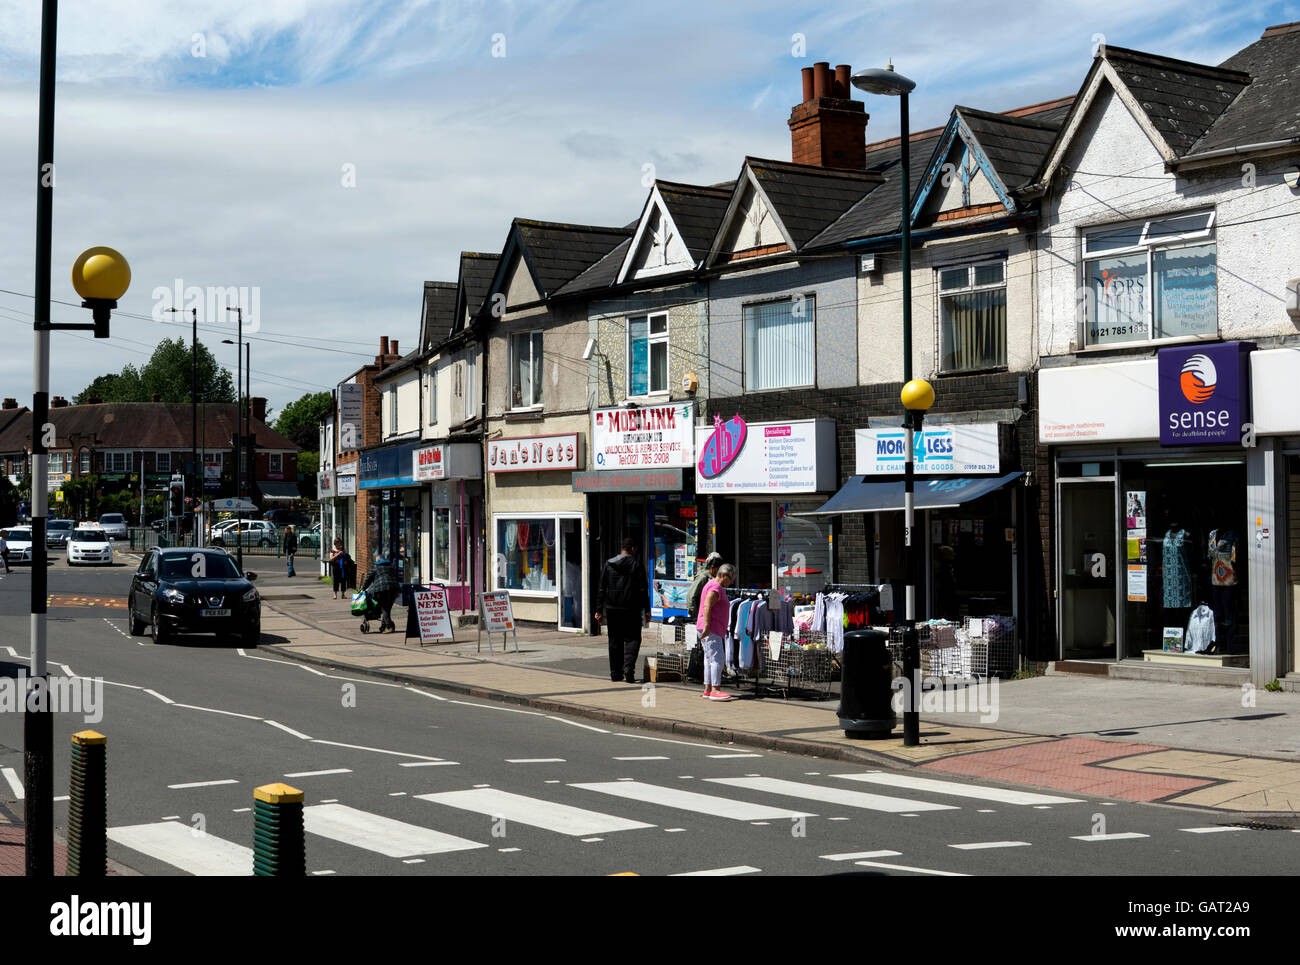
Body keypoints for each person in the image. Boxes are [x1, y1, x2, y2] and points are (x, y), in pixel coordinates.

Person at [594, 537, 650, 684]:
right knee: (633, 639)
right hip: (631, 609)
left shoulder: (609, 564)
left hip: (612, 609)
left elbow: (602, 588)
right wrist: (647, 610)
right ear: (632, 549)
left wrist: (599, 610)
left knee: (614, 641)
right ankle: (628, 669)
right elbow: (643, 590)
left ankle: (615, 673)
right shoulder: (636, 565)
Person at [696, 562, 736, 701]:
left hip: (709, 627)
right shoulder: (716, 587)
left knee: (709, 659)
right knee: (717, 658)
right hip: (711, 628)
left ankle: (708, 689)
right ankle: (715, 690)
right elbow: (707, 605)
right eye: (731, 579)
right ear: (724, 575)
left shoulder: (710, 584)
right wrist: (707, 626)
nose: (731, 583)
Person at [361, 552, 401, 633]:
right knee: (387, 608)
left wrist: (363, 588)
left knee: (384, 608)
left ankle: (389, 627)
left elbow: (368, 578)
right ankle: (384, 625)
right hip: (394, 589)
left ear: (378, 560)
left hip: (382, 589)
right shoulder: (391, 566)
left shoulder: (376, 566)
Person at [688, 552, 723, 621]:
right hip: (701, 618)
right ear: (712, 567)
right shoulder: (703, 577)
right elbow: (690, 596)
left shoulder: (713, 578)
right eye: (718, 569)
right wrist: (697, 616)